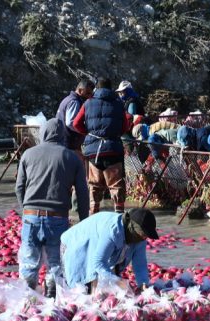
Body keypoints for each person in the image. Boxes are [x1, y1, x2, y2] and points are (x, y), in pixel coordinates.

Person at [15, 118, 89, 298]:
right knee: (55, 265)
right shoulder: (72, 157)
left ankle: (28, 303)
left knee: (29, 263)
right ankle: (51, 305)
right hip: (57, 218)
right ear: (63, 135)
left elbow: (19, 188)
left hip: (31, 216)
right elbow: (82, 192)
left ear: (43, 133)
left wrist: (25, 210)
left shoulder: (28, 154)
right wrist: (83, 220)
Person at [61, 208, 159, 292]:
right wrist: (118, 281)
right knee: (79, 291)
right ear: (133, 229)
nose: (144, 238)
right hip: (77, 245)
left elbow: (140, 264)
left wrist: (143, 283)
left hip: (96, 248)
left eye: (146, 236)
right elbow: (98, 262)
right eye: (143, 234)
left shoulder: (140, 238)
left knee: (101, 293)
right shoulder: (113, 231)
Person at [73, 77, 126, 213]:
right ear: (111, 88)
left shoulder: (88, 103)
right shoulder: (119, 103)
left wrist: (89, 134)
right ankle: (118, 218)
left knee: (94, 186)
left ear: (96, 88)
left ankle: (93, 215)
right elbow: (125, 126)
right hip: (113, 150)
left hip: (92, 152)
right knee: (116, 186)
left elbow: (76, 124)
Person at [56, 78, 95, 153]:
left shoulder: (67, 99)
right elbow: (71, 123)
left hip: (64, 141)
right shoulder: (74, 102)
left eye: (91, 94)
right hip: (68, 143)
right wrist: (84, 131)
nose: (89, 96)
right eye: (87, 93)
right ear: (80, 90)